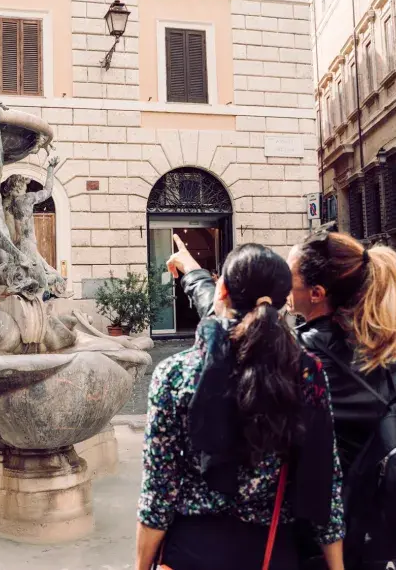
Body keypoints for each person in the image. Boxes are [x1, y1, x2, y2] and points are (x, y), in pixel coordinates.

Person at [136, 237, 345, 570]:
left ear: (221, 293)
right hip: (272, 552)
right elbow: (324, 483)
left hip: (192, 552)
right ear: (284, 303)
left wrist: (141, 565)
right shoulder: (306, 372)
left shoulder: (174, 373)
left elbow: (158, 491)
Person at [287, 230, 396, 569]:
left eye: (290, 279)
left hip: (316, 533)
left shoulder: (303, 355)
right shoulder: (381, 350)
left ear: (316, 294)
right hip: (371, 525)